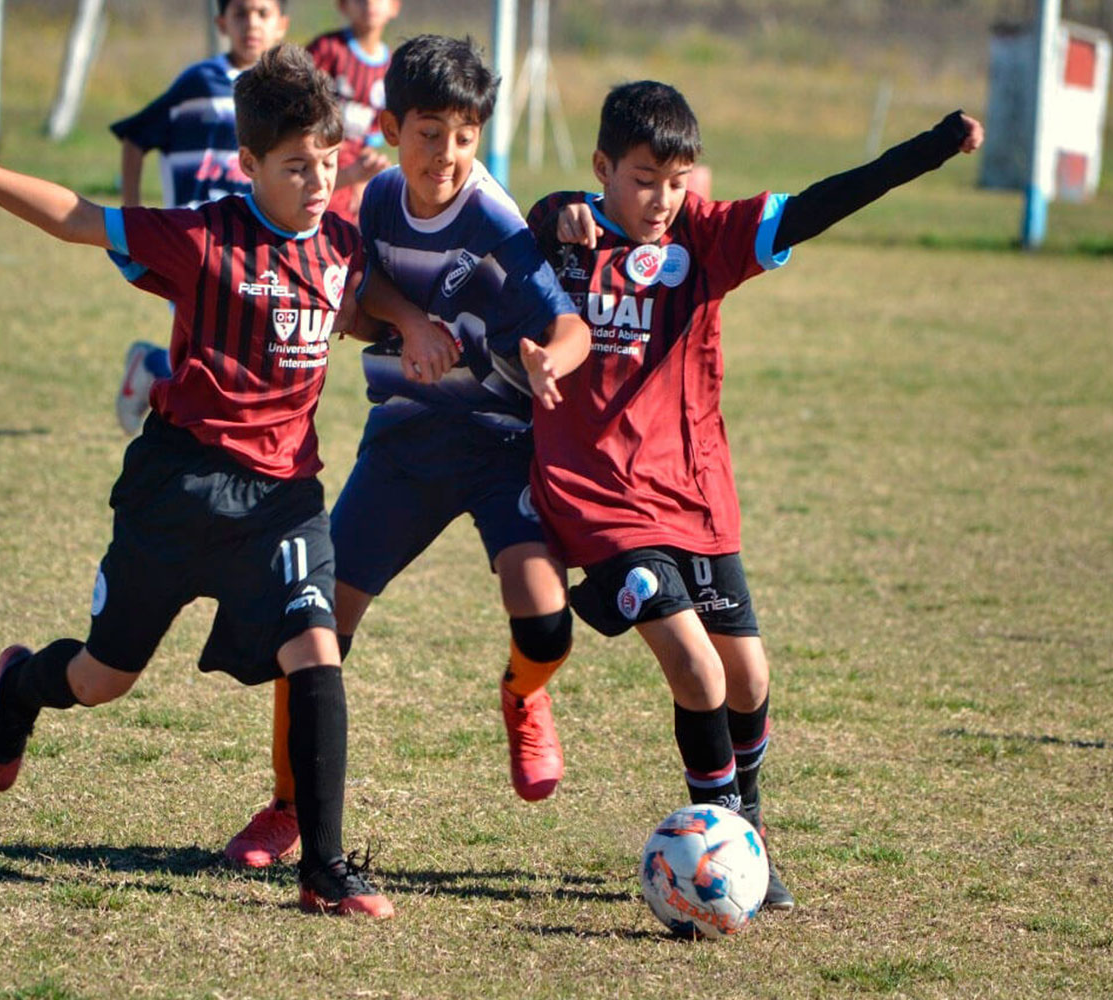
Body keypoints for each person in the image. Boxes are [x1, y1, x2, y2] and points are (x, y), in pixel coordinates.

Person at [0, 44, 395, 918]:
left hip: (284, 500)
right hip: (178, 488)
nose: (316, 183)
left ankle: (328, 868)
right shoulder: (204, 234)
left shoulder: (343, 245)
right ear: (250, 166)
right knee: (101, 678)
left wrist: (420, 329)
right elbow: (75, 216)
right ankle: (17, 689)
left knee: (317, 651)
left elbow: (376, 302)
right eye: (295, 167)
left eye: (328, 162)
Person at [520, 80, 984, 912]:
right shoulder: (568, 238)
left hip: (695, 496)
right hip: (598, 501)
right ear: (603, 169)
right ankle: (722, 837)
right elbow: (526, 221)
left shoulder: (708, 235)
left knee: (747, 673)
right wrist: (557, 207)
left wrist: (929, 148)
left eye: (676, 179)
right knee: (695, 669)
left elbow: (824, 202)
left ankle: (750, 839)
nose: (660, 199)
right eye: (640, 179)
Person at [220, 33, 592, 869]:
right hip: (402, 447)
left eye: (464, 136)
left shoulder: (496, 222)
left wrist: (548, 361)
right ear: (390, 127)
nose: (448, 155)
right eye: (430, 132)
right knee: (313, 629)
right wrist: (405, 319)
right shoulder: (378, 201)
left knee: (546, 622)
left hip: (499, 445)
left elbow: (571, 327)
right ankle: (285, 808)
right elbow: (349, 279)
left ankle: (523, 696)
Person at [112, 0, 290, 435]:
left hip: (253, 245)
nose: (252, 23)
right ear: (222, 23)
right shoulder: (200, 82)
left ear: (281, 24)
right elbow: (136, 138)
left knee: (230, 351)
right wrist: (133, 215)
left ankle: (152, 367)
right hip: (194, 242)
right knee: (215, 349)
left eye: (263, 13)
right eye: (242, 13)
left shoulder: (285, 95)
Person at [306, 0, 399, 224]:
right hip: (315, 159)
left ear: (395, 6)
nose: (369, 3)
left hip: (353, 174)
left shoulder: (392, 68)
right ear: (343, 5)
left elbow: (372, 138)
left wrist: (363, 178)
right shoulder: (327, 49)